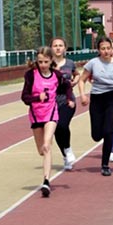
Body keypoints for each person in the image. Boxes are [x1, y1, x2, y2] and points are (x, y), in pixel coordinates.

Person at [21, 46, 74, 197]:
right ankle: (45, 148)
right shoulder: (31, 75)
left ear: (51, 61)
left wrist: (69, 99)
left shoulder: (57, 75)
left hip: (51, 113)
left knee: (47, 145)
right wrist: (37, 98)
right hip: (36, 115)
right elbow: (24, 97)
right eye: (40, 62)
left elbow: (67, 86)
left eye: (45, 61)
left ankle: (46, 181)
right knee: (41, 150)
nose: (43, 64)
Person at [79, 37, 113, 176]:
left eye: (108, 48)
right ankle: (100, 133)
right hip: (97, 98)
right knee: (96, 135)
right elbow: (82, 79)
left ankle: (105, 164)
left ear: (112, 49)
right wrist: (83, 95)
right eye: (103, 49)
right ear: (98, 50)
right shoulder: (93, 63)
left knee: (109, 131)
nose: (106, 51)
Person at [51, 37, 80, 170]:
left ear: (65, 48)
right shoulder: (48, 64)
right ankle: (65, 155)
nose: (58, 48)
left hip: (67, 100)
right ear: (51, 48)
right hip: (51, 101)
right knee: (56, 129)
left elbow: (77, 74)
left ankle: (67, 149)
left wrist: (75, 81)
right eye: (55, 45)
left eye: (60, 45)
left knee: (63, 125)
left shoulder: (69, 63)